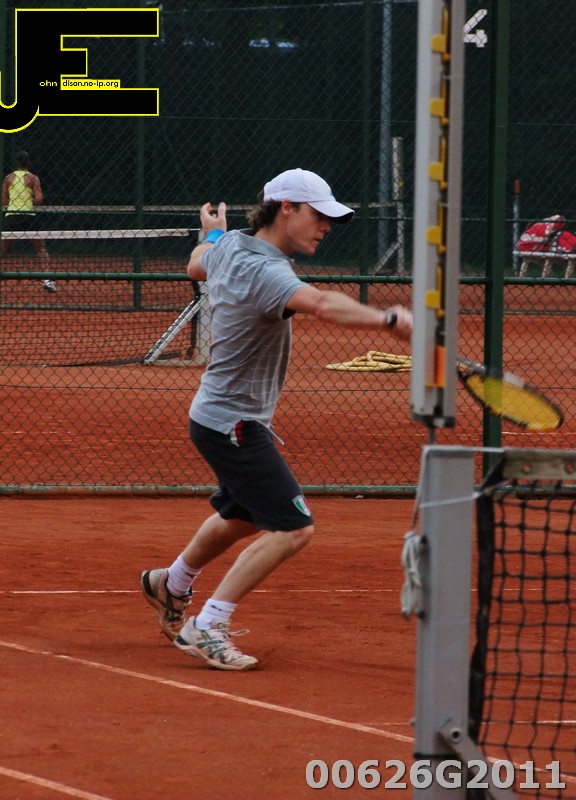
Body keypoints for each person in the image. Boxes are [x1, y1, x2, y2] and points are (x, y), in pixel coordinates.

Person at [140, 168, 413, 671]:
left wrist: (212, 233)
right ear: (286, 207)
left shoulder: (231, 246)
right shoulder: (266, 271)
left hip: (216, 415)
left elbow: (195, 265)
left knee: (243, 516)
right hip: (234, 423)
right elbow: (321, 304)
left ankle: (170, 583)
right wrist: (388, 320)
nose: (326, 227)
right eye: (318, 215)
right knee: (294, 528)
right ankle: (209, 624)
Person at [2, 151, 54, 292]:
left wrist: (15, 201)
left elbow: (4, 201)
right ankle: (47, 280)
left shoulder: (8, 178)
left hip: (12, 215)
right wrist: (27, 200)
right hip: (28, 216)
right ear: (28, 162)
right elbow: (39, 199)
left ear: (16, 162)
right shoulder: (33, 178)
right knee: (41, 248)